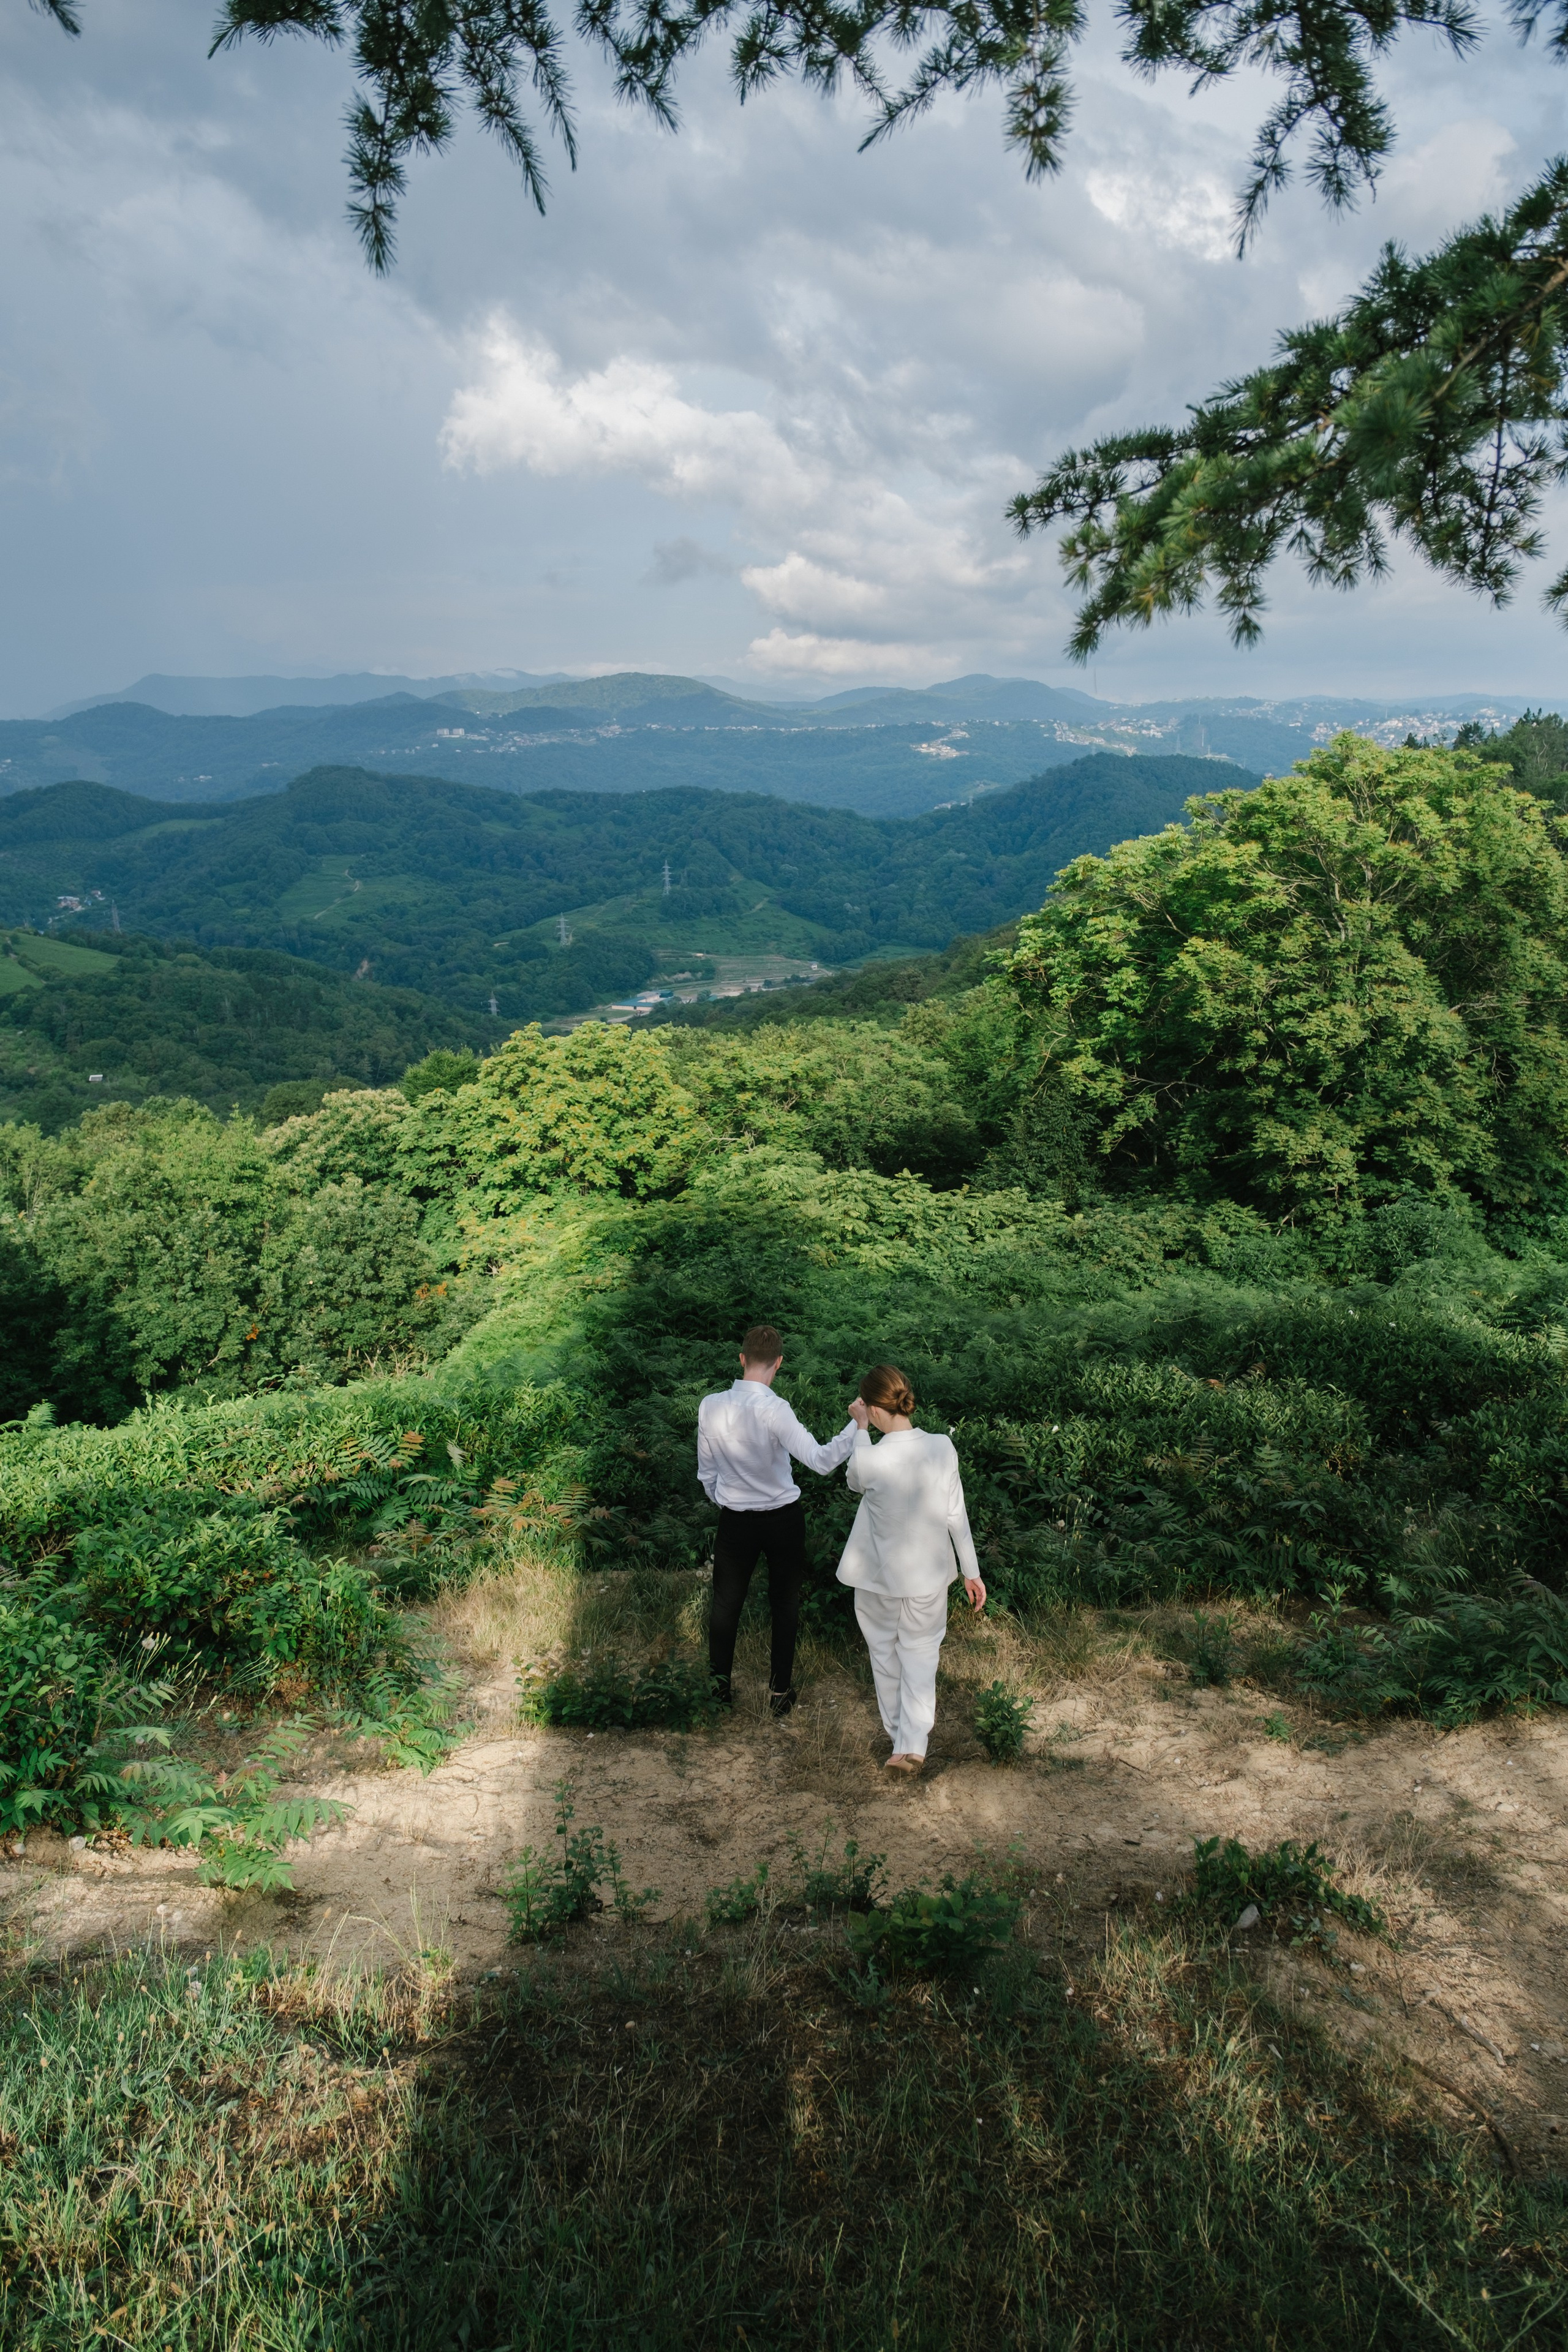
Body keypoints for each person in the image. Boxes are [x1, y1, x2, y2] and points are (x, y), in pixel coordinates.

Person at [697, 1323, 859, 1717]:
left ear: (742, 1359)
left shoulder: (710, 1405)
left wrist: (728, 1500)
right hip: (783, 1520)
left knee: (725, 1606)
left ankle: (719, 1695)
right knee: (784, 1604)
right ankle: (780, 1695)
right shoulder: (775, 1409)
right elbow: (821, 1462)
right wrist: (859, 1424)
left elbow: (706, 1475)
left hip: (735, 1521)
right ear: (779, 1363)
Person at [836, 1363, 985, 1776]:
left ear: (874, 1409)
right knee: (921, 1655)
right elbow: (957, 1515)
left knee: (885, 1656)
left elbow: (853, 1479)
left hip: (877, 1580)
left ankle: (900, 1741)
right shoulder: (941, 1447)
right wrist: (971, 1571)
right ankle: (912, 1744)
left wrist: (860, 1428)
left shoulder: (870, 1458)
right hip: (929, 1579)